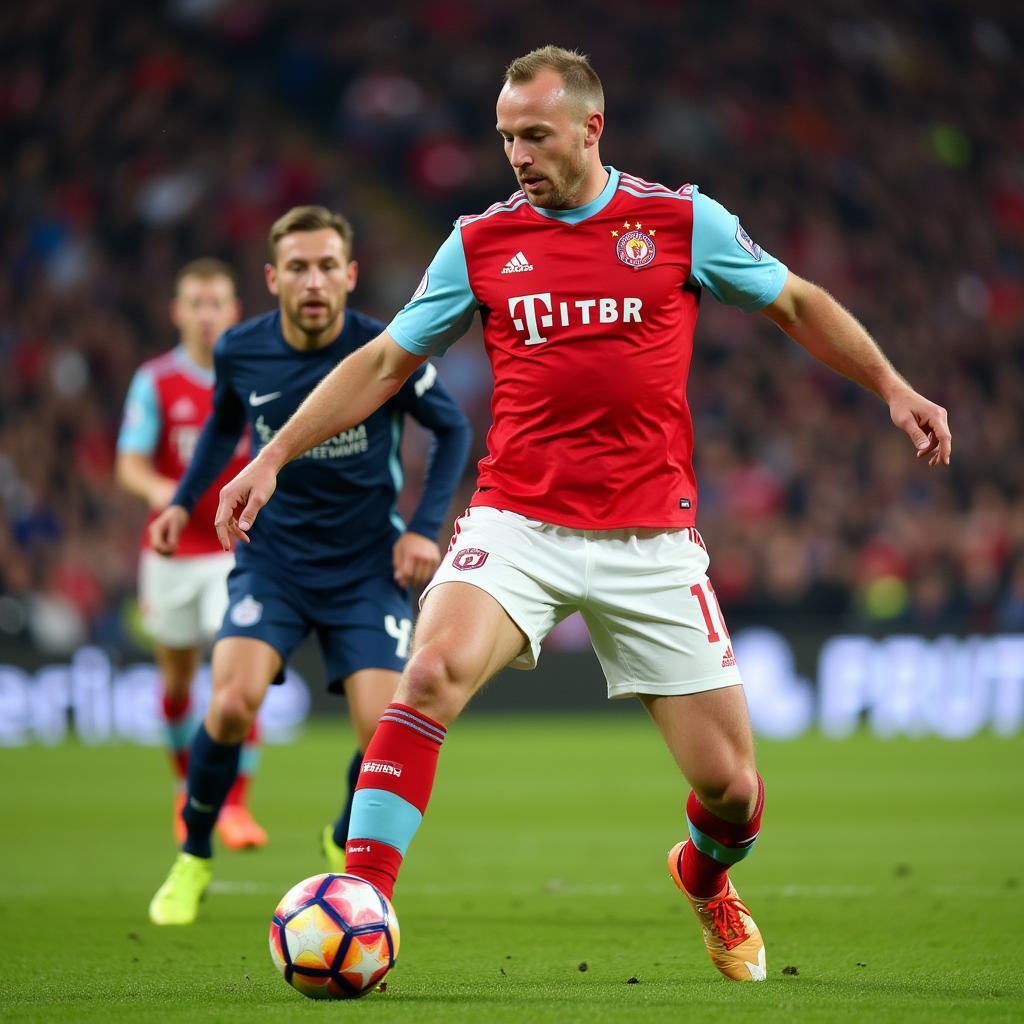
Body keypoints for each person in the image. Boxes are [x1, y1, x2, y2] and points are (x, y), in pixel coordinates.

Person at [211, 48, 952, 982]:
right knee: (430, 670)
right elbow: (384, 362)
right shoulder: (479, 242)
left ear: (591, 129)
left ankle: (704, 876)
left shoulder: (680, 221)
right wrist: (272, 454)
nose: (516, 154)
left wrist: (892, 386)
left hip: (651, 537)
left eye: (535, 135)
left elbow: (796, 303)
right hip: (517, 521)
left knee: (731, 790)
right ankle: (365, 898)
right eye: (506, 137)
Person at [147, 206, 472, 925]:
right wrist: (181, 502)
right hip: (276, 564)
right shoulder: (241, 350)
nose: (314, 281)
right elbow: (224, 427)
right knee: (230, 705)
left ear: (351, 275)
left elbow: (451, 430)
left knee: (383, 730)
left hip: (366, 568)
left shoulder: (384, 350)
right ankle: (194, 856)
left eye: (329, 266)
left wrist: (423, 530)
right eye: (298, 267)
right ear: (273, 278)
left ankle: (339, 831)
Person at [116, 259, 268, 850]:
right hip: (173, 552)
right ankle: (188, 791)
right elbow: (128, 463)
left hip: (235, 550)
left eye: (217, 304)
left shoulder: (255, 376)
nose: (207, 315)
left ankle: (234, 804)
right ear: (178, 312)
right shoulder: (155, 381)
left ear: (233, 312)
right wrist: (164, 494)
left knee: (238, 680)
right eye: (196, 304)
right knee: (178, 682)